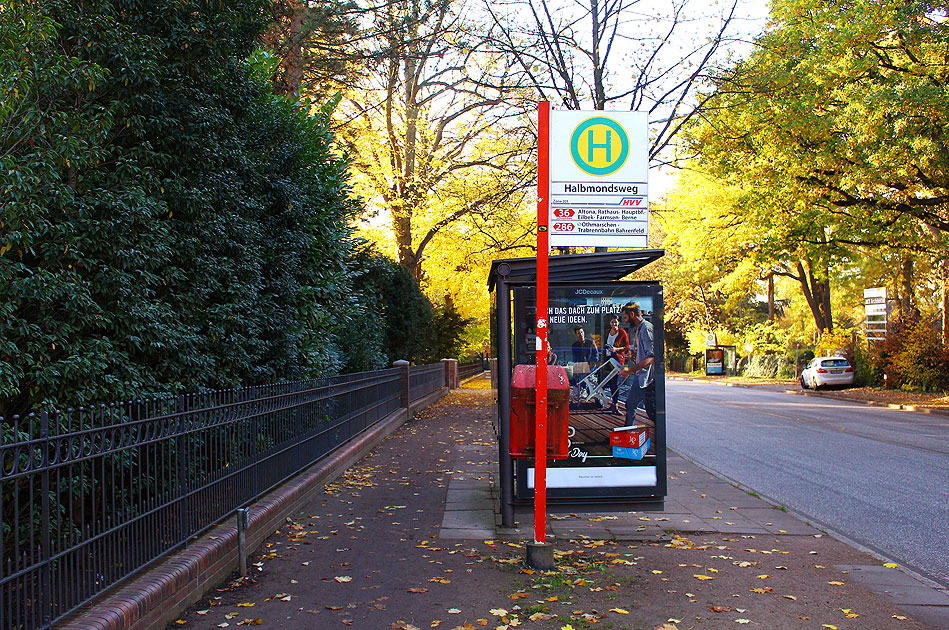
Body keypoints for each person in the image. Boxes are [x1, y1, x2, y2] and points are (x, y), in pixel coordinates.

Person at [621, 302, 655, 427]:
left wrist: (630, 370)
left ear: (632, 314)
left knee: (652, 412)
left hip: (648, 379)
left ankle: (628, 432)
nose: (625, 321)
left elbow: (652, 357)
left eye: (625, 317)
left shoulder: (646, 328)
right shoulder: (639, 328)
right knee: (630, 404)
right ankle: (627, 432)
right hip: (640, 377)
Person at [603, 315, 629, 411]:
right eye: (612, 322)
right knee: (611, 382)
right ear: (610, 323)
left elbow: (626, 346)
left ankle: (616, 404)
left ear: (618, 322)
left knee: (617, 382)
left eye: (615, 322)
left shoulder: (622, 332)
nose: (614, 324)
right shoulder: (607, 333)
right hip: (608, 359)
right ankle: (613, 404)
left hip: (618, 359)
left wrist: (616, 349)